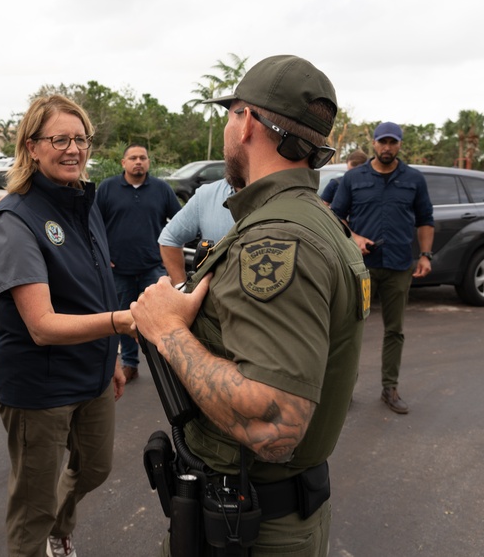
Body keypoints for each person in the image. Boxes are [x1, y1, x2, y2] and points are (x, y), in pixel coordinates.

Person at [131, 55, 368, 556]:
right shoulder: (306, 221)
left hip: (253, 530)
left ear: (247, 123)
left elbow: (276, 426)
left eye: (231, 112)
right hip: (247, 513)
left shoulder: (279, 240)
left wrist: (167, 331)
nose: (228, 125)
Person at [0, 94, 131, 557]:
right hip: (40, 385)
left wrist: (113, 355)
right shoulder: (13, 219)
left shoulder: (85, 202)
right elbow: (41, 325)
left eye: (81, 138)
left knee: (95, 469)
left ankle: (59, 528)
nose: (74, 149)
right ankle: (39, 538)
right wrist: (123, 324)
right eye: (59, 139)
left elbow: (97, 286)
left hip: (94, 371)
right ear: (31, 146)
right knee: (33, 504)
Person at [330, 121, 434, 414]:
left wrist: (425, 255)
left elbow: (426, 219)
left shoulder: (413, 179)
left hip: (399, 266)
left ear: (400, 145)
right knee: (351, 328)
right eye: (382, 142)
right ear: (374, 143)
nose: (387, 147)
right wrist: (354, 236)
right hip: (361, 267)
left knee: (395, 330)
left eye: (393, 142)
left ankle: (390, 388)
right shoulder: (354, 178)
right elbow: (335, 216)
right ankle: (344, 390)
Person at [95, 143, 181, 381]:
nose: (138, 162)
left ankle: (167, 367)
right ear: (123, 162)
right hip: (118, 270)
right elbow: (93, 225)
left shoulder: (162, 189)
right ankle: (130, 364)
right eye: (133, 158)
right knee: (124, 319)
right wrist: (103, 256)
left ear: (148, 162)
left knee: (160, 319)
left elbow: (179, 222)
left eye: (143, 157)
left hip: (153, 267)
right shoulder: (107, 188)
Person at [157, 177, 235, 286]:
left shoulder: (160, 187)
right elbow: (170, 238)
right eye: (133, 158)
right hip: (217, 299)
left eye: (142, 158)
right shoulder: (207, 194)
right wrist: (182, 287)